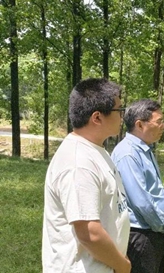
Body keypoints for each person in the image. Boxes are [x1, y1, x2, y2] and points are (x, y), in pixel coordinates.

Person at [42, 78, 131, 273]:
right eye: (119, 110)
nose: (122, 117)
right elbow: (89, 232)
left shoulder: (95, 150)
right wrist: (122, 265)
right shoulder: (78, 163)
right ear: (97, 117)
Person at [111, 99, 164, 273]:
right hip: (141, 235)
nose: (163, 126)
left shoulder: (143, 149)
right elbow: (142, 202)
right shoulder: (128, 153)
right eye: (159, 121)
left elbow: (154, 191)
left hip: (153, 230)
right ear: (139, 125)